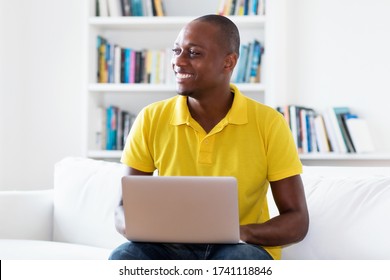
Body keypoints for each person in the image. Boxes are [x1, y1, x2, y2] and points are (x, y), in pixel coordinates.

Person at [109, 14, 309, 260]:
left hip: (238, 246)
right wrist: (139, 229)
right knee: (125, 257)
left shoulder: (269, 123)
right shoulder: (151, 117)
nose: (178, 62)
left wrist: (237, 233)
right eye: (176, 50)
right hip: (168, 246)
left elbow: (297, 221)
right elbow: (123, 209)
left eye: (193, 53)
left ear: (229, 62)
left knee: (241, 261)